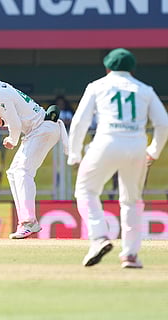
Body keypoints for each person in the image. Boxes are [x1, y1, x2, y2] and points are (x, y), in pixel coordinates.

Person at [67, 48, 168, 268]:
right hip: (137, 145)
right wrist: (154, 150)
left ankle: (99, 237)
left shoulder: (97, 86)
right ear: (132, 69)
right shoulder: (145, 90)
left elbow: (79, 122)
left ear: (107, 67)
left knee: (85, 190)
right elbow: (163, 124)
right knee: (132, 200)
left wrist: (74, 154)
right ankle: (130, 255)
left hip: (107, 142)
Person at [0, 63, 68, 239]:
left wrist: (11, 140)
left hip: (42, 129)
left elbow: (17, 125)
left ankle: (28, 223)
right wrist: (2, 122)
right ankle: (26, 222)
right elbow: (17, 119)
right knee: (14, 172)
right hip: (40, 129)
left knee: (22, 172)